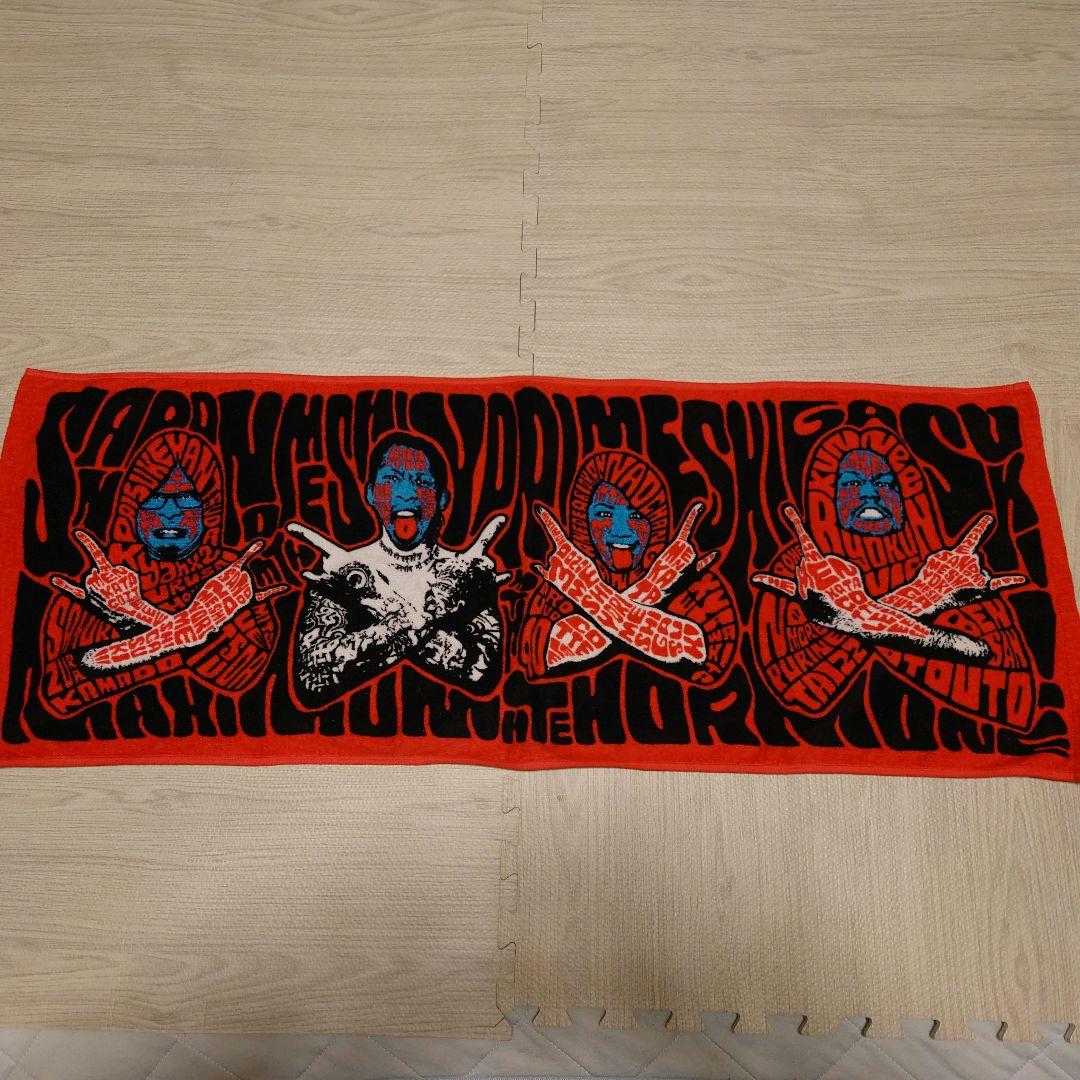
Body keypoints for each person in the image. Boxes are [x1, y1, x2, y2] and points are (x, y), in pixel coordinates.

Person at [751, 422, 1034, 728]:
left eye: (885, 484)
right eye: (851, 483)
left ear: (908, 497)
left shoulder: (951, 567)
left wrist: (857, 616)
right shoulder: (801, 571)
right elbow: (796, 691)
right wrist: (923, 598)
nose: (870, 493)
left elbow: (1007, 686)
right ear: (826, 499)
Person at [41, 429, 284, 717]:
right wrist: (184, 626)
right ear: (131, 508)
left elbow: (244, 675)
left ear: (209, 509)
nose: (170, 512)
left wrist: (137, 613)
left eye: (186, 497)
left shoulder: (230, 581)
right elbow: (57, 695)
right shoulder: (100, 587)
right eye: (155, 498)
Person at [288, 432, 505, 701]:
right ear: (370, 494)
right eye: (391, 479)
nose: (406, 493)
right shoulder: (340, 570)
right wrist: (421, 619)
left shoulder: (466, 572)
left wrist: (376, 600)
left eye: (422, 482)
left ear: (442, 499)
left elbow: (480, 671)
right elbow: (313, 676)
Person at [518, 450, 737, 686]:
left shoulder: (701, 587)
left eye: (636, 515)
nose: (621, 531)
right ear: (583, 521)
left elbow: (696, 649)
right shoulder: (551, 593)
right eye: (604, 514)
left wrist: (585, 589)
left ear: (657, 523)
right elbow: (546, 654)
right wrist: (656, 586)